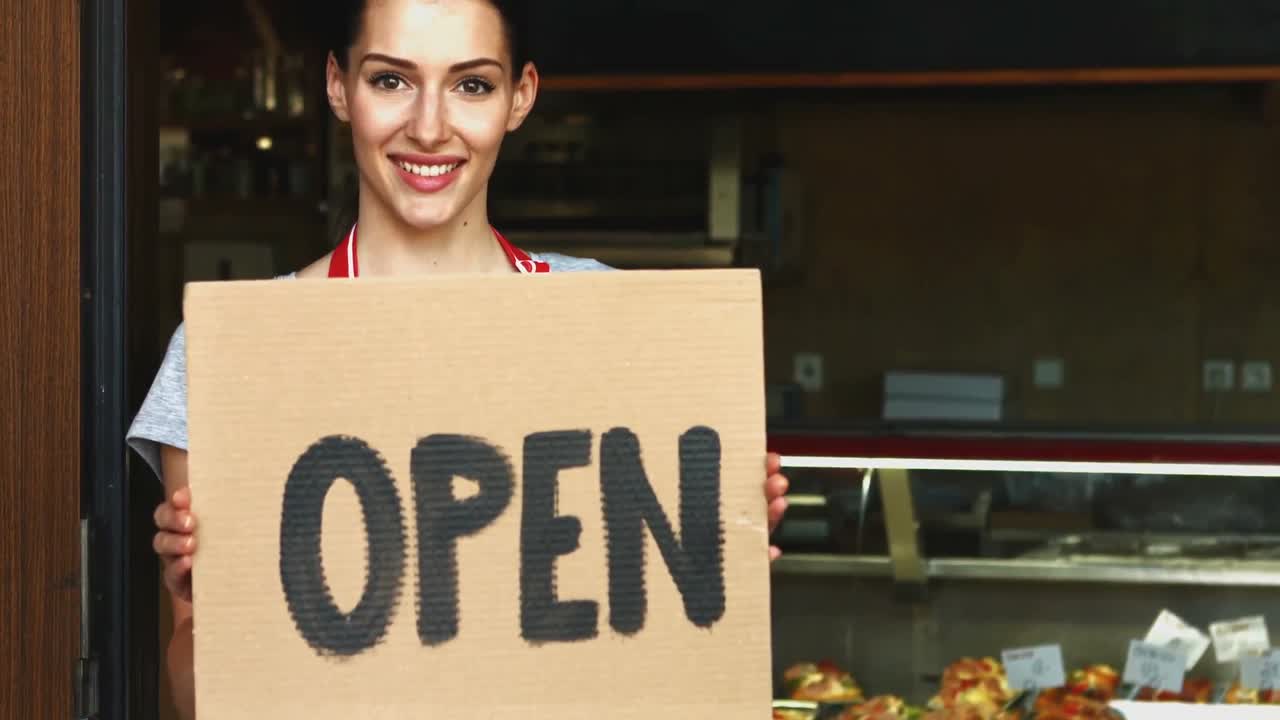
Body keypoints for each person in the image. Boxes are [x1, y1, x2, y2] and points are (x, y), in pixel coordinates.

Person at [127, 1, 790, 717]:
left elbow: (674, 681)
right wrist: (202, 605)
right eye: (391, 81)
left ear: (520, 97)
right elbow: (198, 702)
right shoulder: (234, 355)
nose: (430, 127)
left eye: (471, 85)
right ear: (337, 87)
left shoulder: (623, 328)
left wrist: (722, 554)